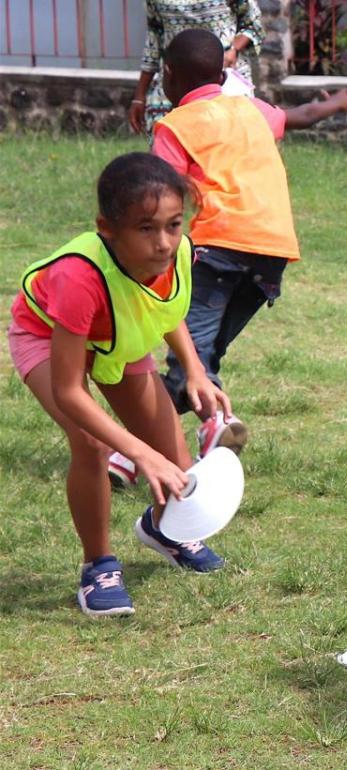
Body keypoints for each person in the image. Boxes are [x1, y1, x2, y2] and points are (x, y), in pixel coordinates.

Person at [108, 29, 347, 486]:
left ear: (168, 76)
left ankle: (216, 426)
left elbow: (158, 195)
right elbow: (299, 115)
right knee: (200, 354)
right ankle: (133, 457)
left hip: (217, 248)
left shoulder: (175, 125)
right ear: (225, 72)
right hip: (271, 251)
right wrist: (337, 104)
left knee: (192, 354)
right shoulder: (250, 109)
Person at [7, 152, 231, 618]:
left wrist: (194, 369)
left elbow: (165, 310)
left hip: (114, 337)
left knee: (174, 455)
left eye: (173, 224)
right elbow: (70, 390)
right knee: (90, 444)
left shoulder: (178, 253)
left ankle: (165, 529)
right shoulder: (79, 277)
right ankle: (98, 565)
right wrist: (136, 453)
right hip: (48, 336)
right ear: (107, 228)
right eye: (146, 228)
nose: (164, 242)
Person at [129, 0, 264, 135]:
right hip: (174, 84)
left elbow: (252, 24)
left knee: (228, 138)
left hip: (221, 79)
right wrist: (139, 96)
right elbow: (154, 37)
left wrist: (233, 50)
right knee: (170, 140)